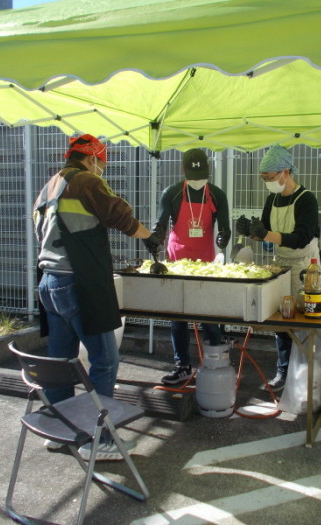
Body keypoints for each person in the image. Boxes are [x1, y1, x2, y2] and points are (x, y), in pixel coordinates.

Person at [33, 134, 161, 460]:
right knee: (104, 360)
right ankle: (99, 440)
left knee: (61, 362)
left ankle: (61, 431)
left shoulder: (51, 185)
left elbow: (43, 229)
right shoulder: (87, 180)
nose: (101, 170)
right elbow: (118, 214)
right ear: (91, 159)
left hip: (49, 282)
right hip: (80, 283)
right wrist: (149, 237)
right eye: (101, 164)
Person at [237, 144, 321, 392]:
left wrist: (266, 234)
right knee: (282, 323)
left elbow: (301, 238)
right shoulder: (272, 198)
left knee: (304, 323)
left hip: (306, 267)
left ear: (285, 172)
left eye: (270, 178)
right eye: (264, 179)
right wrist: (251, 232)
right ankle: (283, 371)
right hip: (280, 265)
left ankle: (306, 374)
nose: (267, 183)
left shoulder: (307, 199)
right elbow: (265, 231)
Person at [152, 148, 231, 384]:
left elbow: (225, 227)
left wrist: (223, 238)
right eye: (193, 176)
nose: (198, 181)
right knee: (178, 316)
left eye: (202, 176)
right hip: (178, 261)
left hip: (205, 262)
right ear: (183, 172)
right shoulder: (173, 193)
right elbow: (161, 225)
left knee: (208, 315)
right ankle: (182, 365)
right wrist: (154, 238)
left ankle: (215, 362)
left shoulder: (216, 194)